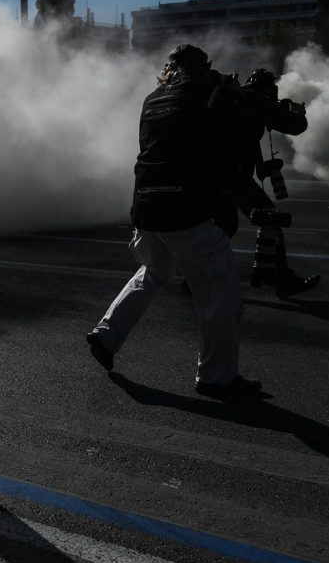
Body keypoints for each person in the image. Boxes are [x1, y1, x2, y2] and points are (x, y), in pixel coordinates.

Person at [85, 44, 261, 400]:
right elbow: (241, 135)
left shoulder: (152, 99)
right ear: (202, 68)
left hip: (147, 206)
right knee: (219, 293)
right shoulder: (207, 94)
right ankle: (217, 378)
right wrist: (231, 96)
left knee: (154, 272)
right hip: (185, 209)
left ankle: (107, 334)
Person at [224, 69, 320, 298]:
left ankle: (193, 278)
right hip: (235, 177)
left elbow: (246, 139)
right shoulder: (259, 100)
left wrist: (259, 167)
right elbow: (295, 126)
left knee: (223, 227)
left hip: (217, 175)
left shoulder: (235, 99)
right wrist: (298, 112)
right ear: (268, 87)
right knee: (271, 219)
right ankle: (283, 279)